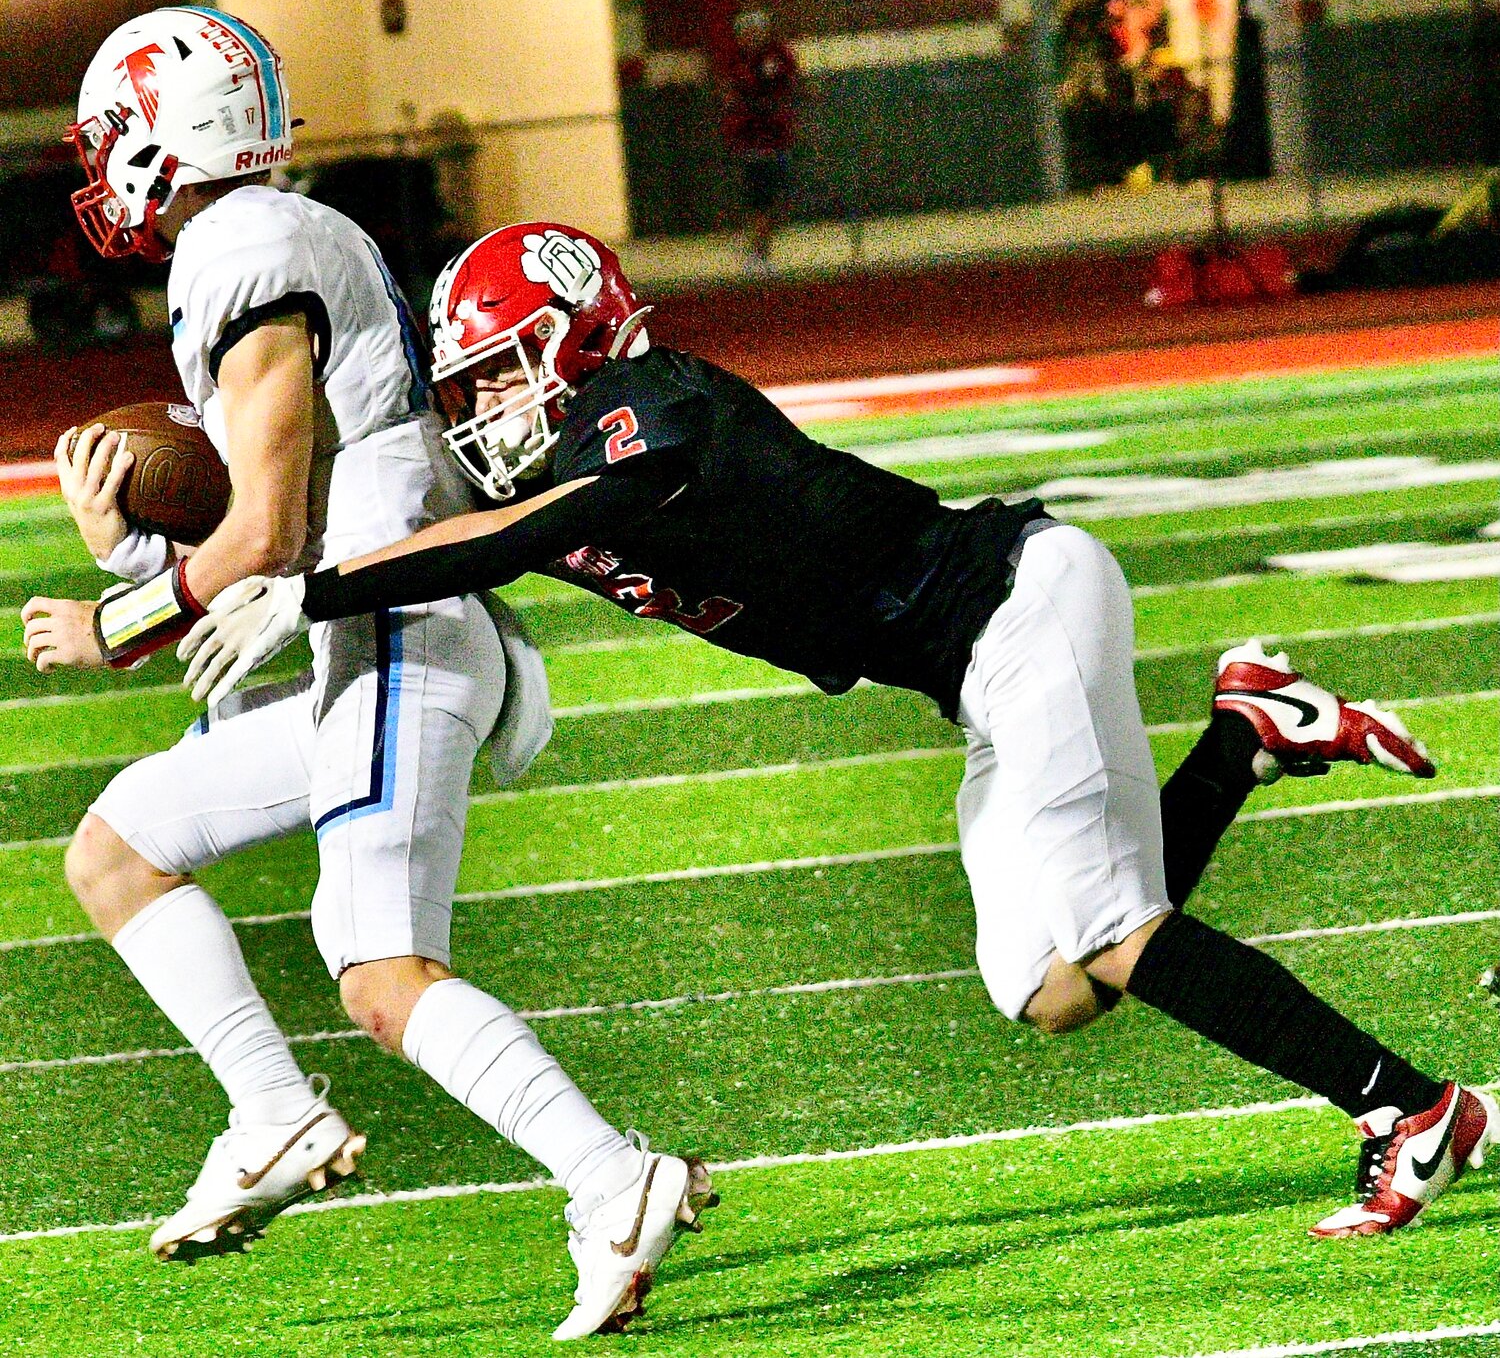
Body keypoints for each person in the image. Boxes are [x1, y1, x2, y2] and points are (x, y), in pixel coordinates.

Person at [183, 220, 1490, 1241]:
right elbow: (401, 487)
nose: (488, 411)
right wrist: (189, 552)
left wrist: (309, 592)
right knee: (1050, 989)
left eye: (503, 375)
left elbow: (516, 530)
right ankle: (1251, 735)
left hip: (1016, 604)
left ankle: (1412, 1105)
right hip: (969, 677)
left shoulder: (658, 401)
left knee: (1115, 928)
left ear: (581, 343)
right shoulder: (571, 448)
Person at [19, 17, 709, 1342]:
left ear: (172, 133)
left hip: (393, 617)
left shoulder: (245, 248)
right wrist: (147, 546)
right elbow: (270, 520)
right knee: (119, 849)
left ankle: (614, 1178)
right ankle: (274, 1110)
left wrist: (121, 614)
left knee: (382, 969)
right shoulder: (269, 241)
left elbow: (271, 529)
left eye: (115, 137)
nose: (103, 167)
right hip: (369, 628)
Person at [721, 10, 801, 274]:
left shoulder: (777, 57)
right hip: (749, 140)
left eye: (756, 33)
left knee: (775, 198)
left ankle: (760, 247)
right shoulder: (737, 62)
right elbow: (731, 94)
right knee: (756, 199)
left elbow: (789, 85)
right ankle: (756, 250)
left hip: (775, 139)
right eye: (746, 34)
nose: (751, 38)